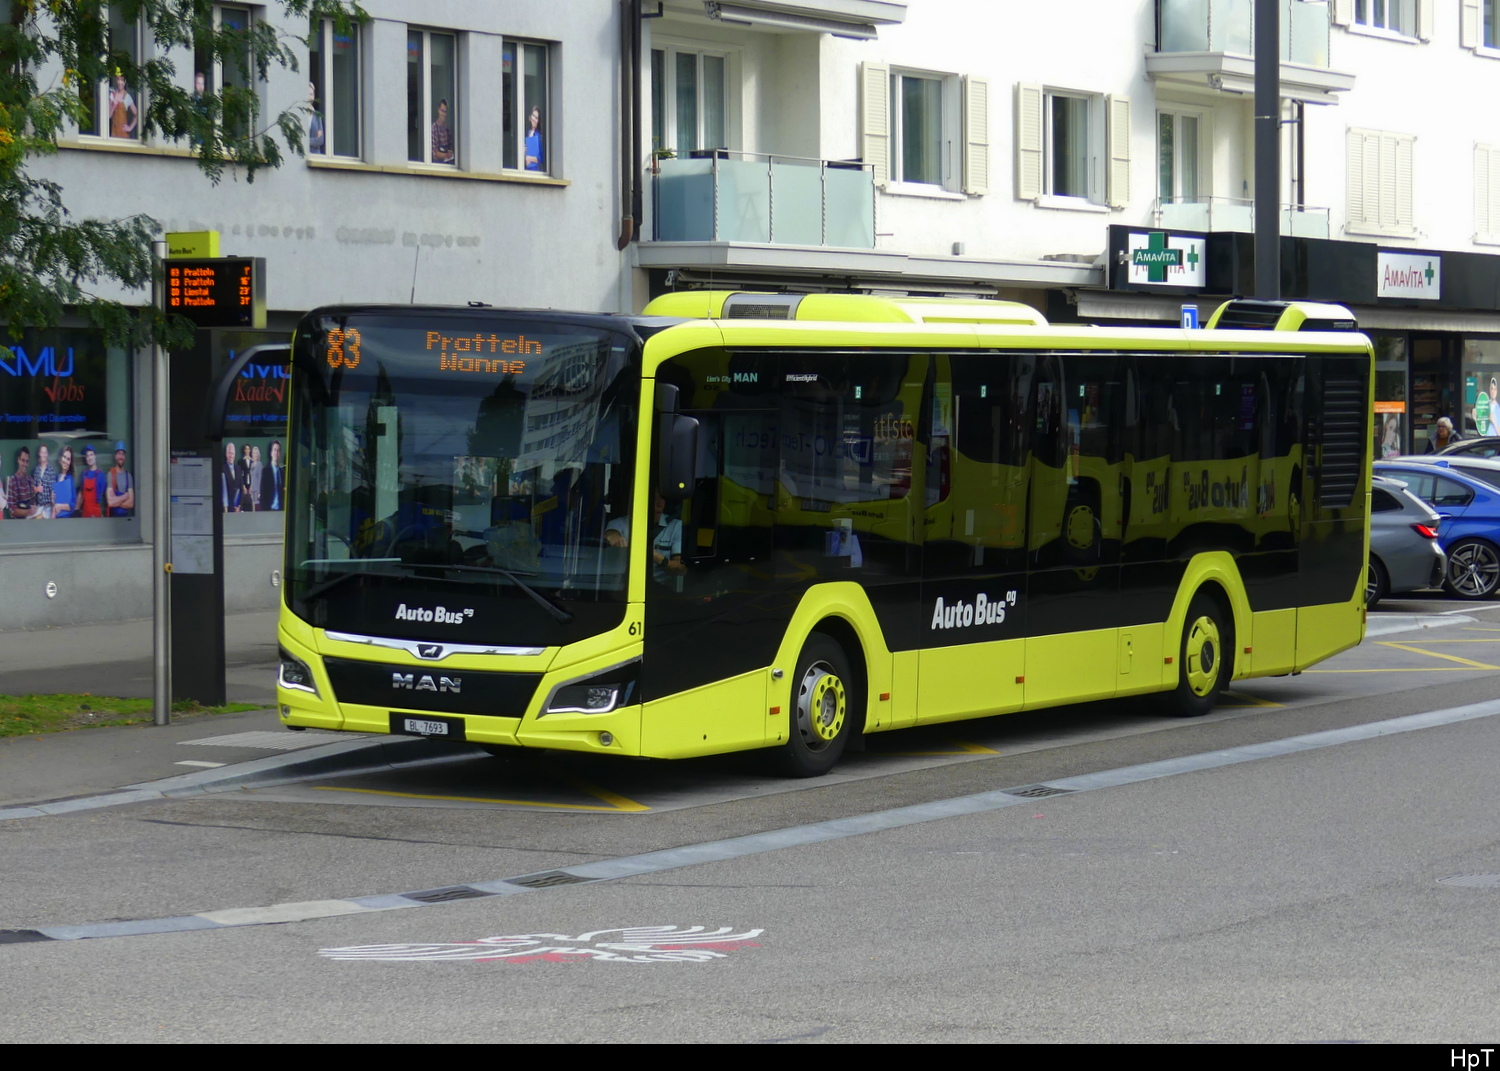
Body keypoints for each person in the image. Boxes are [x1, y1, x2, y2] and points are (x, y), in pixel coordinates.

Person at [650, 490, 684, 581]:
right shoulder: (624, 522)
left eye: (662, 498)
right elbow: (612, 533)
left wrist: (658, 558)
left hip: (656, 587)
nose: (659, 504)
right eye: (654, 498)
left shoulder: (676, 526)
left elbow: (681, 569)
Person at [106, 442, 134, 517]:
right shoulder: (111, 474)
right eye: (119, 453)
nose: (121, 457)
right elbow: (110, 503)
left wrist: (116, 500)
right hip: (113, 519)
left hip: (125, 519)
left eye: (123, 454)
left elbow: (130, 503)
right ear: (115, 456)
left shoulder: (128, 476)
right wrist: (124, 497)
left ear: (125, 457)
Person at [7, 446, 36, 519]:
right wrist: (28, 512)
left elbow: (33, 503)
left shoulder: (30, 480)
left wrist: (34, 509)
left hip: (30, 524)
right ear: (18, 460)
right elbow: (12, 511)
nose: (25, 464)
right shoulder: (12, 481)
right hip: (17, 526)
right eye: (23, 460)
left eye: (27, 461)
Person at [78, 444, 106, 518]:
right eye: (87, 456)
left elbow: (103, 499)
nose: (89, 458)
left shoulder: (101, 475)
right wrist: (75, 510)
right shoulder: (84, 475)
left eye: (91, 455)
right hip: (85, 513)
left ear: (95, 456)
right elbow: (81, 494)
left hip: (96, 514)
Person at [108, 72, 137, 138]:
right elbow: (109, 116)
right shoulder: (112, 95)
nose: (120, 82)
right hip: (114, 133)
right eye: (118, 80)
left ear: (125, 82)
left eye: (122, 80)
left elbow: (137, 114)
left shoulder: (127, 97)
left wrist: (130, 127)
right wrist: (113, 105)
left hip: (124, 134)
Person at [258, 440, 285, 511]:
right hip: (269, 511)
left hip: (280, 511)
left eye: (278, 450)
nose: (276, 452)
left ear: (280, 454)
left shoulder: (282, 472)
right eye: (275, 450)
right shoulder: (266, 471)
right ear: (271, 452)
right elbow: (263, 493)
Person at [52, 446, 77, 518]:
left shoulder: (70, 479)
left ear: (70, 463)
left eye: (68, 459)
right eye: (64, 457)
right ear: (60, 458)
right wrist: (52, 499)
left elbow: (73, 504)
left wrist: (60, 507)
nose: (66, 461)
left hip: (66, 520)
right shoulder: (56, 478)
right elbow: (55, 502)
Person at [31, 442, 55, 519]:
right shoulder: (36, 469)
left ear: (47, 454)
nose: (43, 455)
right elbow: (33, 488)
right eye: (42, 452)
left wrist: (53, 511)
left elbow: (53, 491)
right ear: (39, 454)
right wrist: (36, 489)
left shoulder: (51, 470)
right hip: (38, 506)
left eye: (45, 453)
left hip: (48, 507)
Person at [431, 99, 454, 163]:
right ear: (438, 110)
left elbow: (451, 148)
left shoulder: (447, 129)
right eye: (442, 111)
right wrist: (446, 155)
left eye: (445, 112)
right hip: (437, 166)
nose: (443, 114)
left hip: (447, 164)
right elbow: (434, 153)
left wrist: (450, 153)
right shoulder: (433, 128)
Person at [221, 441, 241, 512]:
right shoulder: (222, 469)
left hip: (238, 508)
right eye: (229, 453)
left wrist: (239, 506)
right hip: (227, 507)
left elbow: (241, 488)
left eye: (232, 453)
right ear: (226, 454)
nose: (231, 456)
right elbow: (223, 491)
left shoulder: (238, 468)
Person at [307, 82, 325, 154]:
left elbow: (320, 140)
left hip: (315, 155)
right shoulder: (300, 115)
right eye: (308, 94)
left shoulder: (317, 116)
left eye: (312, 94)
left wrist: (306, 141)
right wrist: (314, 140)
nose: (310, 97)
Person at [524, 105, 544, 171]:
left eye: (536, 118)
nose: (534, 119)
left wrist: (529, 158)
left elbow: (541, 158)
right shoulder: (527, 133)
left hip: (535, 170)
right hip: (525, 169)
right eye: (533, 116)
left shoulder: (538, 136)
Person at [248, 444, 264, 511]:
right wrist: (251, 487)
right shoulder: (251, 465)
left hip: (257, 490)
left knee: (257, 507)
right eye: (254, 453)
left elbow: (261, 478)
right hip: (253, 490)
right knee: (253, 507)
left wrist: (260, 492)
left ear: (258, 455)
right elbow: (252, 477)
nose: (255, 455)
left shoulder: (259, 464)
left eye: (256, 453)